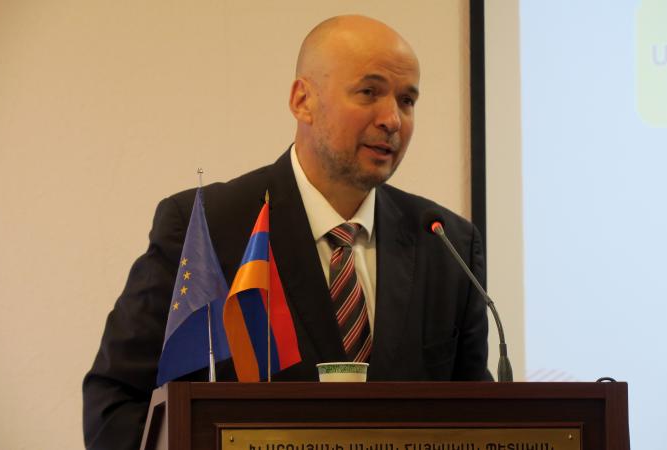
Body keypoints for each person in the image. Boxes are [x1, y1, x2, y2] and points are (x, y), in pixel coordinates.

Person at [83, 15, 492, 450]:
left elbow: (483, 418)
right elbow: (115, 401)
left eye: (407, 100)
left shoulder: (446, 243)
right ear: (303, 101)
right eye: (369, 92)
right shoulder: (205, 227)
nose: (392, 119)